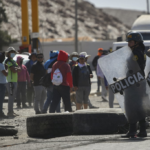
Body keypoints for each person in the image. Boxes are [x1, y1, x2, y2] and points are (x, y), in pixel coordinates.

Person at [122, 31, 147, 138]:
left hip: (135, 83)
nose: (128, 44)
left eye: (131, 42)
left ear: (137, 42)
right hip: (136, 83)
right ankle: (142, 130)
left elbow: (136, 69)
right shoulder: (138, 51)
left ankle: (133, 131)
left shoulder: (136, 53)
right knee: (138, 107)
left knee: (131, 107)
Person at [5, 47, 20, 117]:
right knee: (11, 97)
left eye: (14, 52)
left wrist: (16, 68)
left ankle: (11, 111)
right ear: (8, 53)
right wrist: (16, 68)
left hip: (14, 81)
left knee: (13, 97)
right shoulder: (7, 61)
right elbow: (14, 70)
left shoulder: (13, 61)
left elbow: (19, 69)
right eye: (11, 52)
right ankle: (10, 112)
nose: (13, 53)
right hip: (10, 81)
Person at [0, 52, 8, 118]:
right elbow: (6, 74)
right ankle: (1, 113)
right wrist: (7, 68)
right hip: (1, 84)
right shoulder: (1, 65)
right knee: (1, 99)